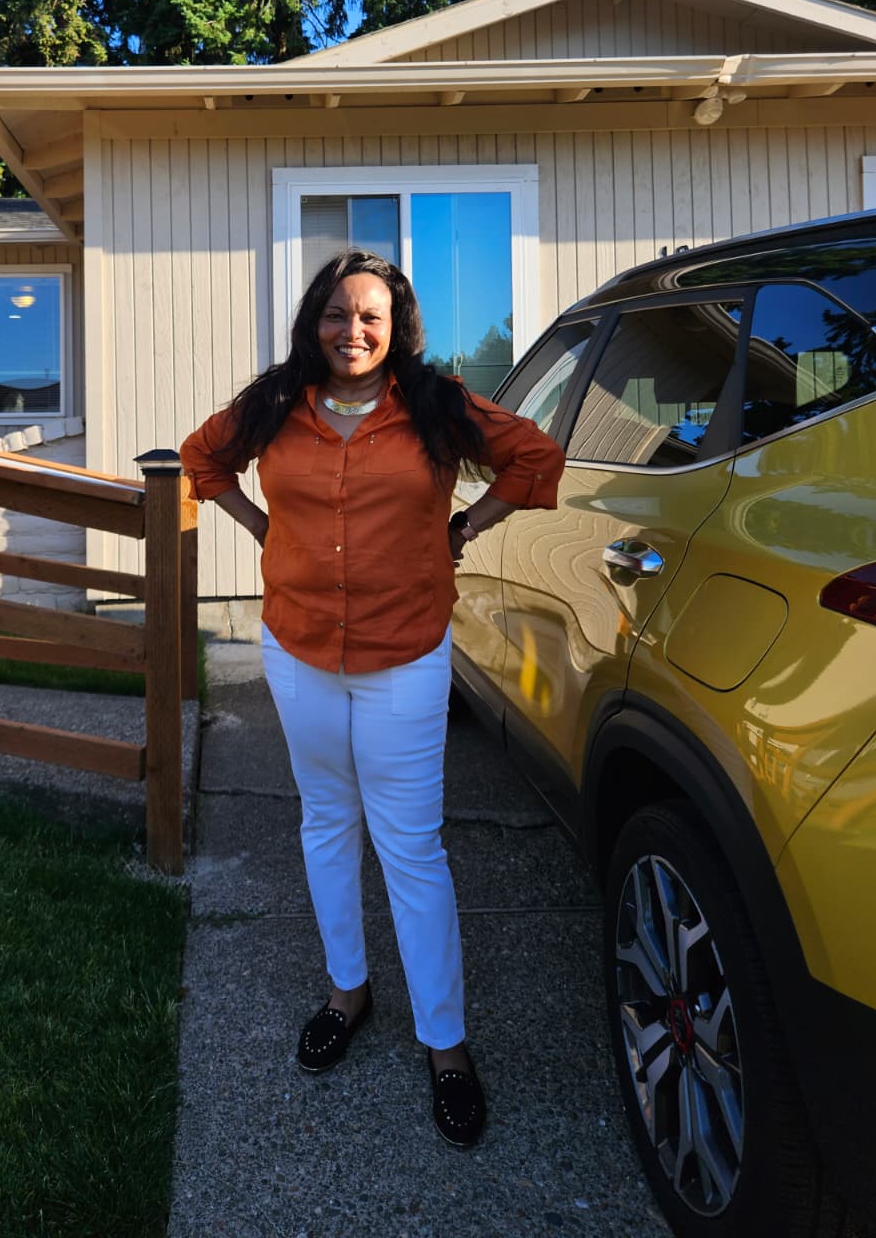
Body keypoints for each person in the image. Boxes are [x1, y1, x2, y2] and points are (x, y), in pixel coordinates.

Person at [180, 250, 565, 1148]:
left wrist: (463, 526)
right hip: (300, 645)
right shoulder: (275, 405)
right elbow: (202, 459)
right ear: (312, 320)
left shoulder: (435, 405)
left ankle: (446, 1045)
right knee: (324, 820)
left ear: (396, 330)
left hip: (405, 654)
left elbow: (534, 456)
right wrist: (265, 531)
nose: (351, 331)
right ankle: (346, 993)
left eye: (370, 318)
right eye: (336, 314)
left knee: (411, 846)